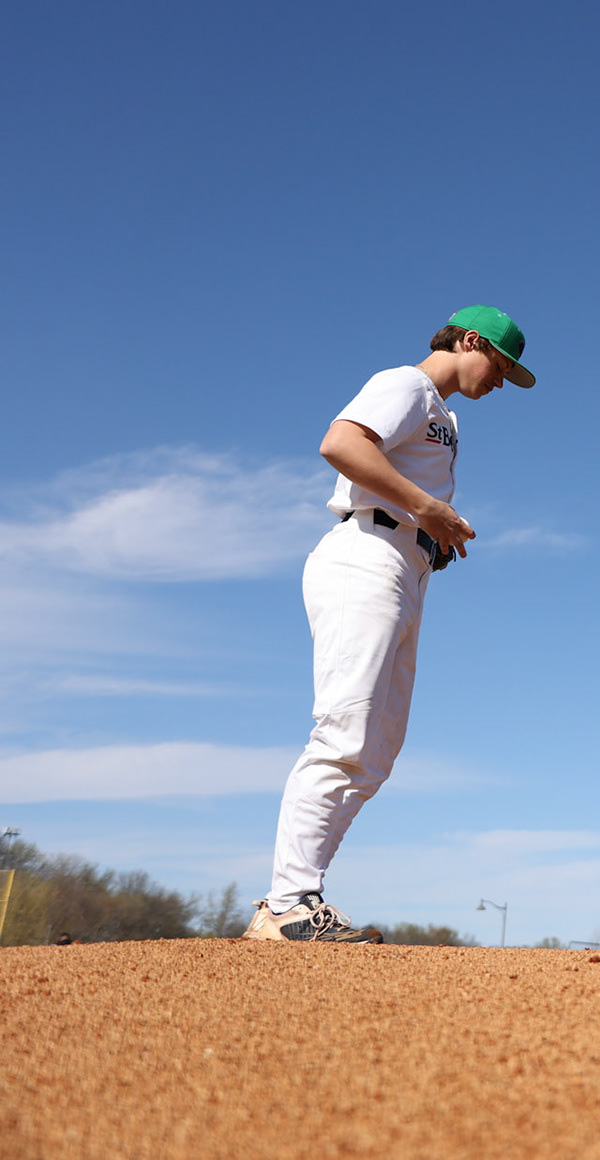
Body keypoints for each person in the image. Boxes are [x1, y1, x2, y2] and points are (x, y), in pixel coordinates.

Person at [241, 306, 536, 944]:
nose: (501, 383)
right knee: (346, 728)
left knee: (377, 749)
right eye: (502, 366)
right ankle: (288, 902)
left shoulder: (445, 417)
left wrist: (432, 533)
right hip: (364, 557)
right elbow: (341, 444)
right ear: (470, 340)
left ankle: (295, 897)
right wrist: (428, 508)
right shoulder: (408, 383)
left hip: (404, 566)